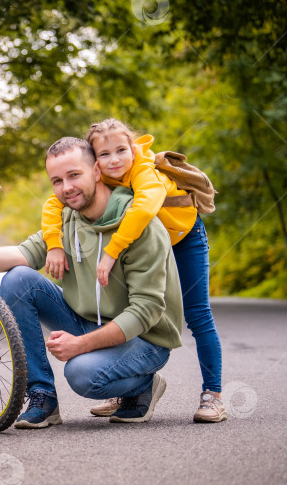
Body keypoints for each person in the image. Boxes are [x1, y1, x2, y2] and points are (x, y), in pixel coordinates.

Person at [0, 137, 183, 428]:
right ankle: (42, 396)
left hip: (145, 339)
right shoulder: (66, 221)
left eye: (74, 175)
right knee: (17, 279)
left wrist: (80, 344)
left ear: (97, 171)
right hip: (90, 321)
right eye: (57, 180)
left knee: (82, 375)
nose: (66, 188)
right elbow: (22, 254)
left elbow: (145, 311)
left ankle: (143, 386)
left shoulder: (140, 226)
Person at [40, 119, 226, 423]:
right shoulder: (104, 178)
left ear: (134, 148)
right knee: (123, 306)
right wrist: (54, 244)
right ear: (94, 162)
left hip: (182, 237)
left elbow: (143, 208)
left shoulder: (142, 170)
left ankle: (213, 394)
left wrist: (111, 252)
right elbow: (52, 205)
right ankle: (129, 389)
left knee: (198, 314)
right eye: (104, 154)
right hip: (142, 243)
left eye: (121, 150)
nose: (114, 160)